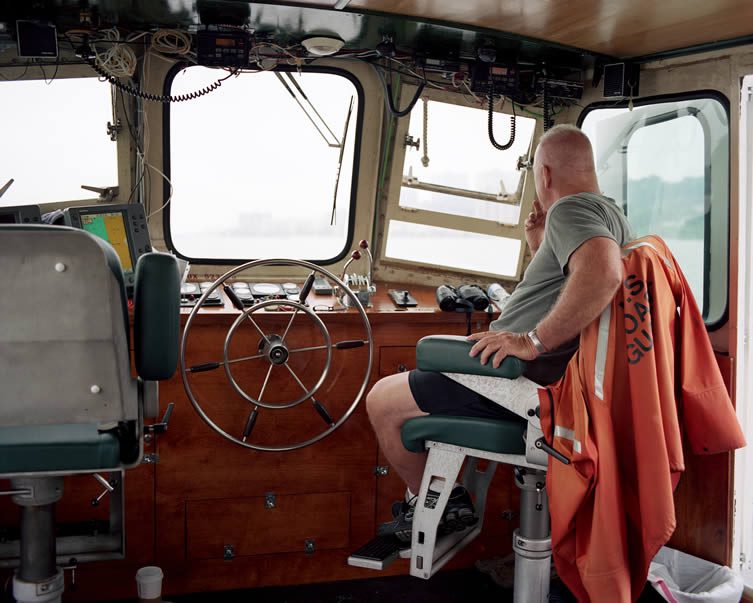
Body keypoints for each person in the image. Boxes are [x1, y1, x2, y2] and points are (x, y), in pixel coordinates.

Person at [366, 124, 634, 542]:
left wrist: (531, 342)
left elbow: (603, 274)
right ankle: (448, 502)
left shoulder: (570, 209)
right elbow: (569, 286)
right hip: (550, 382)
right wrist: (540, 247)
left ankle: (439, 505)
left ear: (544, 174)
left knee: (383, 400)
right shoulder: (610, 211)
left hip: (521, 384)